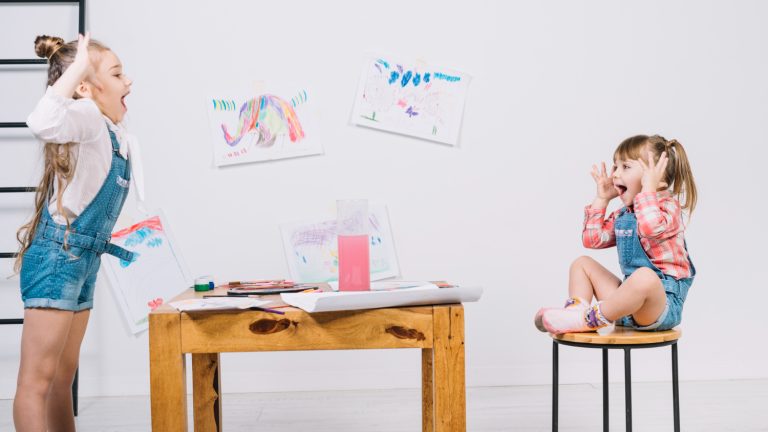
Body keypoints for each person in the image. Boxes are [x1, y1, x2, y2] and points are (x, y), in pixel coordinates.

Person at [13, 32, 142, 431]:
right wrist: (79, 68)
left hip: (82, 261)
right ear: (85, 87)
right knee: (36, 381)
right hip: (58, 260)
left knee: (60, 380)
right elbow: (41, 120)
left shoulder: (113, 133)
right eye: (117, 74)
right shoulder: (87, 116)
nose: (128, 81)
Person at [535, 134, 697, 335]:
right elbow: (592, 240)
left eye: (626, 167)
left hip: (660, 308)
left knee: (645, 277)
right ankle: (575, 313)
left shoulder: (668, 208)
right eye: (615, 166)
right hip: (626, 305)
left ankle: (586, 320)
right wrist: (602, 199)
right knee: (582, 264)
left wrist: (648, 189)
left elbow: (650, 228)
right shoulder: (624, 213)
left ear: (658, 179)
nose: (615, 174)